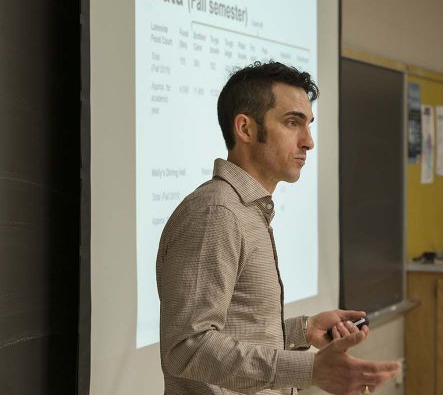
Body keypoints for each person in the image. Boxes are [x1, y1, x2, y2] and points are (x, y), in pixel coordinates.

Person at [156, 61, 400, 395]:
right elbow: (188, 347)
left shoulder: (246, 211)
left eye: (309, 125)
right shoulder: (216, 213)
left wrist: (305, 330)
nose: (309, 142)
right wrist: (309, 369)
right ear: (245, 129)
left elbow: (237, 332)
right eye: (292, 123)